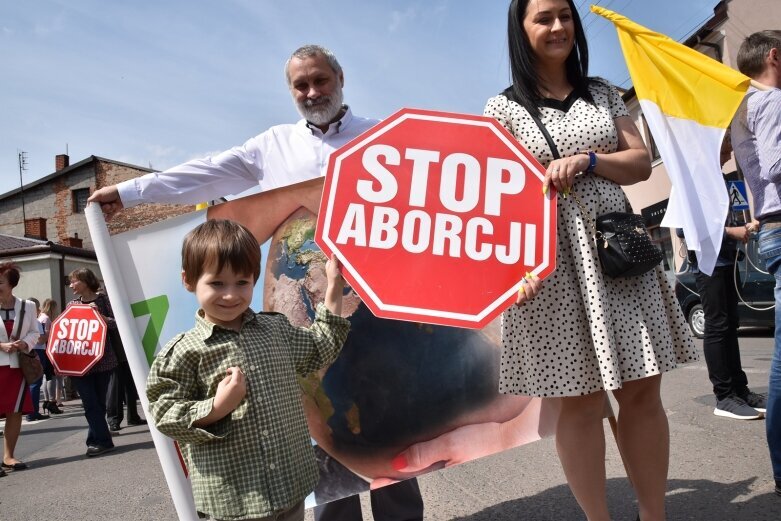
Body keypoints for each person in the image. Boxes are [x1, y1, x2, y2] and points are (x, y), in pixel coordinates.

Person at [90, 44, 425, 520]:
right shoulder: (272, 147)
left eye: (320, 80)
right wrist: (130, 192)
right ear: (290, 91)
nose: (312, 92)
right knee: (329, 441)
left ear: (341, 77)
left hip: (382, 313)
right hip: (309, 319)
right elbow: (204, 174)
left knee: (392, 430)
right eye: (300, 85)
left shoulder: (385, 137)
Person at [482, 2, 698, 520]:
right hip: (549, 268)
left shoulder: (601, 91)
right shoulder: (501, 109)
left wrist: (590, 160)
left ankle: (653, 514)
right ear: (522, 30)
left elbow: (640, 161)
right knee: (576, 401)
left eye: (565, 15)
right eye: (543, 18)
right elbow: (493, 198)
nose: (558, 27)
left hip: (617, 255)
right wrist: (510, 272)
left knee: (643, 389)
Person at [146, 219, 349, 521]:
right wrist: (216, 407)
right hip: (236, 501)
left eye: (242, 282)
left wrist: (333, 288)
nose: (230, 295)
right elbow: (164, 413)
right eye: (217, 283)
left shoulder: (275, 329)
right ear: (189, 280)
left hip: (290, 487)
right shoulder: (184, 351)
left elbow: (321, 346)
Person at [678, 133, 766, 420]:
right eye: (727, 143)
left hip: (728, 261)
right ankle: (724, 396)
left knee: (731, 324)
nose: (731, 149)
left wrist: (743, 227)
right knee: (717, 326)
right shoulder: (691, 180)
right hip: (707, 265)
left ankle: (740, 390)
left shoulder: (724, 180)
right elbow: (684, 229)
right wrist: (731, 232)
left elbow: (728, 217)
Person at [730, 29, 781, 498]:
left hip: (770, 226)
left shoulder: (741, 108)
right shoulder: (773, 102)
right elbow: (778, 164)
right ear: (774, 56)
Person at [68, 268, 119, 457]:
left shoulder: (103, 300)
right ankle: (104, 441)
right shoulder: (72, 304)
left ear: (86, 281)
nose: (71, 285)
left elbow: (118, 323)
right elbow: (66, 331)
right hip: (79, 362)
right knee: (90, 403)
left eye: (74, 281)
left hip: (103, 360)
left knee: (98, 403)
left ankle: (94, 440)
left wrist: (102, 318)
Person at [0, 262, 40, 475]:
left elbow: (35, 332)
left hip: (17, 366)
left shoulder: (28, 306)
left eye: (0, 282)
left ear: (11, 284)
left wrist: (25, 343)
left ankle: (8, 456)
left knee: (14, 412)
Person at [105, 293, 146, 432]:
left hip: (126, 349)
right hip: (115, 351)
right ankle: (114, 419)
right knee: (116, 386)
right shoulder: (104, 301)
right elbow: (114, 323)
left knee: (130, 385)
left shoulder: (118, 299)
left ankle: (132, 416)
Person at [26, 297, 50, 422]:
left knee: (31, 383)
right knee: (36, 383)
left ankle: (31, 411)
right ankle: (32, 412)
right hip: (37, 352)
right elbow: (41, 340)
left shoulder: (21, 320)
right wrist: (48, 334)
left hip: (26, 352)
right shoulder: (35, 321)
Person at [39, 298, 64, 414]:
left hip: (41, 349)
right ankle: (52, 402)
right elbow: (48, 334)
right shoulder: (47, 318)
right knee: (51, 376)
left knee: (46, 376)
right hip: (48, 348)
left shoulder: (40, 317)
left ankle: (46, 400)